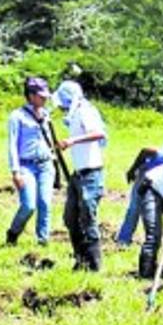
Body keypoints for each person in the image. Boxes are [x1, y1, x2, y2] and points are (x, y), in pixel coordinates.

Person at [54, 80, 108, 270]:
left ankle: (93, 263)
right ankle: (80, 258)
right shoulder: (74, 114)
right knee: (70, 217)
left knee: (87, 216)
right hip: (78, 174)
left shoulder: (85, 111)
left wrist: (72, 141)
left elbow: (98, 133)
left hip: (91, 173)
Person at [6, 77, 55, 246]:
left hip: (45, 164)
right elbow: (12, 144)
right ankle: (13, 232)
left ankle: (43, 239)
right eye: (41, 96)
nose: (44, 99)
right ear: (31, 95)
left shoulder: (46, 114)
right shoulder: (17, 116)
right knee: (28, 205)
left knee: (45, 203)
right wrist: (15, 171)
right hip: (26, 165)